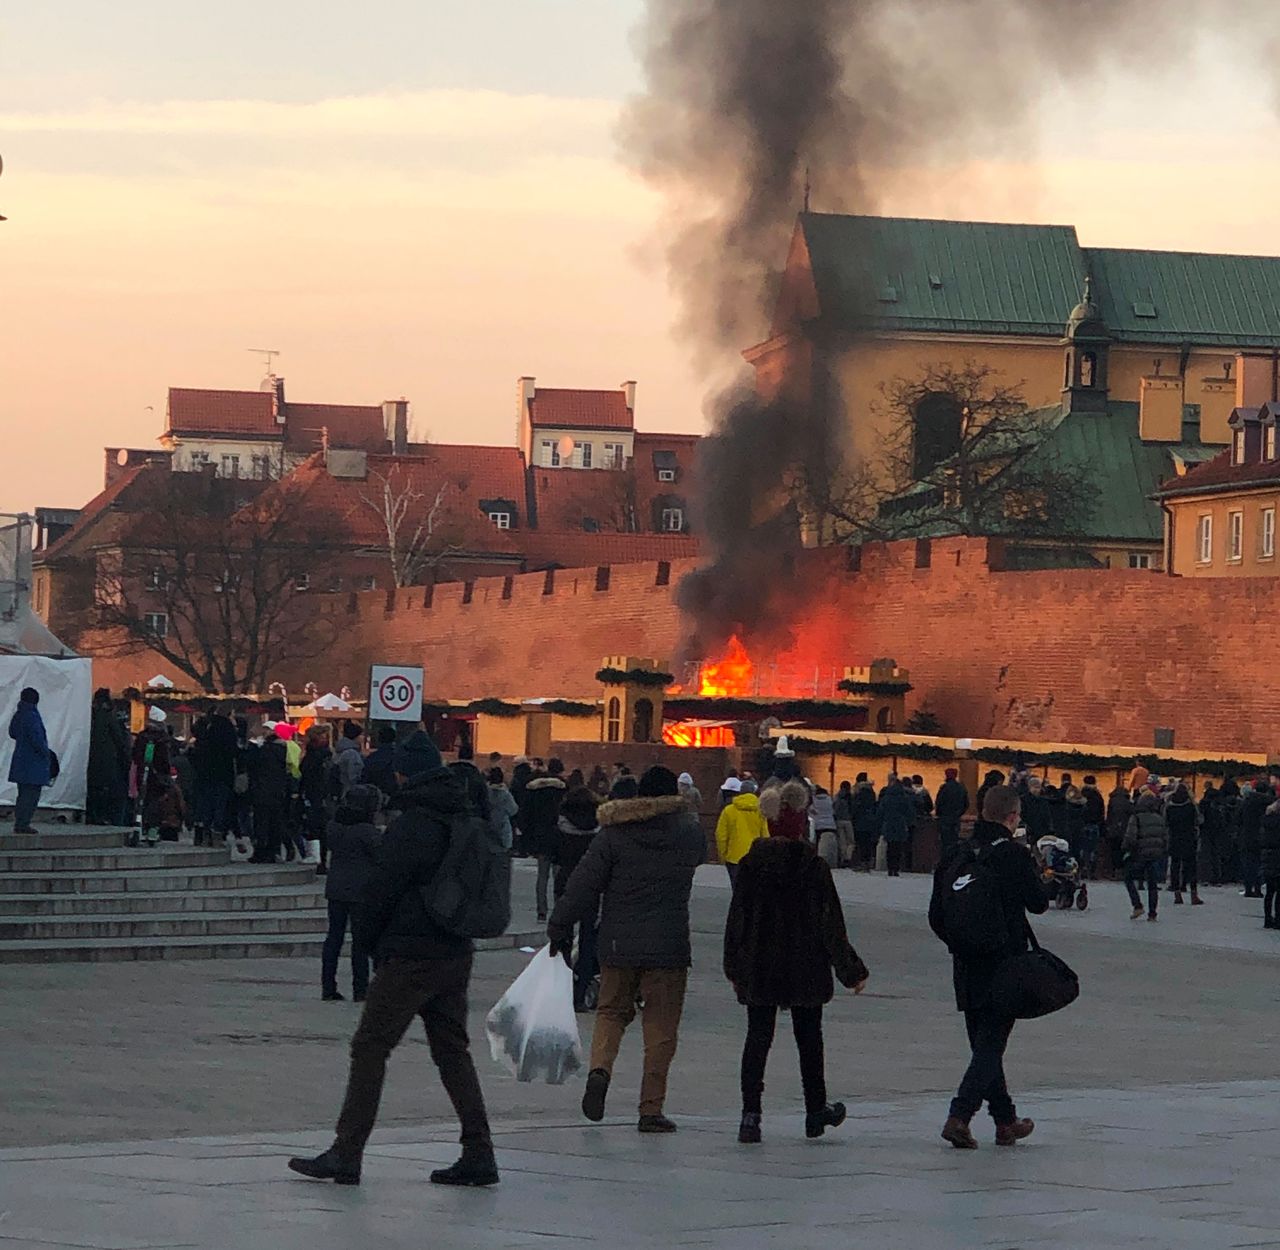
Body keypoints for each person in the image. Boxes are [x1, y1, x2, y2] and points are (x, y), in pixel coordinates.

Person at [289, 733, 499, 1189]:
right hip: (454, 950)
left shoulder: (414, 824)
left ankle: (347, 1151)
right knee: (452, 1050)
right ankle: (479, 1150)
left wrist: (370, 945)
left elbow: (379, 890)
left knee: (369, 1047)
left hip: (409, 953)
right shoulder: (462, 815)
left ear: (404, 773)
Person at [548, 766, 705, 1134]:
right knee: (661, 1026)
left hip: (617, 941)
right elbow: (698, 856)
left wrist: (559, 924)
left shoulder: (613, 834)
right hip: (668, 944)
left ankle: (600, 1070)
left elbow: (583, 884)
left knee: (611, 1012)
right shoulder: (689, 833)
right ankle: (651, 1108)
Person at [724, 824, 870, 1144]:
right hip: (806, 964)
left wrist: (734, 968)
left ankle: (751, 1116)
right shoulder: (813, 867)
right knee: (809, 1038)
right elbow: (831, 924)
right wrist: (851, 971)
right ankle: (815, 1110)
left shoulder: (751, 865)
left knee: (758, 1037)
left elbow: (738, 920)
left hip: (761, 965)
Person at [929, 784, 1048, 1150]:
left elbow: (936, 914)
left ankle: (1005, 1121)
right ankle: (959, 1116)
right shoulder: (1011, 854)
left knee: (983, 1043)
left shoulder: (957, 853)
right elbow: (1039, 903)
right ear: (1012, 817)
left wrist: (959, 943)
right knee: (991, 1045)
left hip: (965, 962)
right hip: (1004, 962)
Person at [319, 783, 381, 1002]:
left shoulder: (334, 826)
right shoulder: (366, 831)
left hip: (335, 888)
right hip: (360, 891)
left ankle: (328, 985)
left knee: (333, 938)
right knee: (360, 942)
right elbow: (380, 855)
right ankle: (360, 988)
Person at [554, 785, 603, 1012]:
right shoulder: (599, 828)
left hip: (565, 883)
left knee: (562, 937)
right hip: (591, 887)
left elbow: (555, 854)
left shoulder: (561, 823)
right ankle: (581, 992)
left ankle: (559, 988)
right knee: (587, 940)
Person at [522, 759, 567, 921]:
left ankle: (541, 911)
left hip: (540, 836)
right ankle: (559, 908)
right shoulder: (564, 789)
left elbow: (526, 813)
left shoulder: (535, 788)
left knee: (542, 876)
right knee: (559, 876)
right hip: (560, 836)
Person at [191, 703, 238, 848]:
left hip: (205, 773)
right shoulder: (226, 728)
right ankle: (217, 833)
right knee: (220, 804)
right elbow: (232, 751)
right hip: (222, 773)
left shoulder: (205, 728)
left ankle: (204, 833)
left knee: (206, 804)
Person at [8, 688, 52, 834]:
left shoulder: (19, 714)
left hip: (21, 760)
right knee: (31, 795)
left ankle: (20, 822)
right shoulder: (32, 715)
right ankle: (23, 824)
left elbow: (12, 732)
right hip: (33, 763)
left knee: (22, 794)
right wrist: (47, 754)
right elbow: (37, 739)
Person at [247, 727, 290, 864]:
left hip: (261, 792)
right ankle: (274, 851)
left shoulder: (262, 752)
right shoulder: (282, 752)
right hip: (277, 792)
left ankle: (260, 851)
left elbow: (253, 770)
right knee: (275, 823)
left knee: (261, 822)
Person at [1123, 791, 1169, 921]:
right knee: (1152, 885)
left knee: (1128, 877)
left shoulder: (1136, 817)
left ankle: (1137, 905)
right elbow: (1165, 837)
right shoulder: (1160, 818)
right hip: (1155, 855)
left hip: (1140, 854)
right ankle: (1152, 913)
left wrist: (1126, 848)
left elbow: (1130, 837)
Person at [87, 688, 129, 826]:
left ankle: (91, 815)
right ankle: (100, 816)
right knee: (104, 789)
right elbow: (118, 739)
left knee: (92, 788)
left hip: (91, 757)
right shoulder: (108, 716)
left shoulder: (90, 714)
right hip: (107, 759)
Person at [714, 778, 768, 887]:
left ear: (740, 792)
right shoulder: (760, 811)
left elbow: (721, 835)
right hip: (755, 856)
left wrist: (722, 855)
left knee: (736, 888)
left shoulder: (729, 810)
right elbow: (765, 835)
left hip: (734, 856)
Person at [129, 713, 172, 846]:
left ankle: (140, 826)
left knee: (142, 801)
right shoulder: (162, 739)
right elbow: (165, 760)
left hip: (143, 774)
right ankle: (152, 830)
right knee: (156, 803)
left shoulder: (142, 737)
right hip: (157, 777)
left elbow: (136, 756)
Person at [298, 726, 334, 868]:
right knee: (320, 827)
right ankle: (320, 859)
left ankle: (315, 856)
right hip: (322, 795)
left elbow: (306, 773)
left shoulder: (313, 755)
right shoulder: (325, 754)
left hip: (314, 794)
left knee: (314, 825)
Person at [1164, 784, 1202, 906]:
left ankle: (1177, 894)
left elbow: (1166, 823)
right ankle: (1193, 895)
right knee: (1191, 867)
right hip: (1189, 839)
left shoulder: (1169, 807)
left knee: (1175, 866)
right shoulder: (1191, 806)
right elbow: (1198, 821)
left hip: (1174, 839)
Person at [877, 774, 915, 876]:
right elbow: (909, 812)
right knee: (898, 847)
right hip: (900, 824)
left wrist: (880, 823)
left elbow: (880, 811)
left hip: (889, 824)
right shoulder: (904, 797)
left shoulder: (886, 797)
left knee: (890, 847)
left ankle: (890, 868)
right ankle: (896, 868)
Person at [1239, 780, 1270, 899]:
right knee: (1259, 863)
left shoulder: (1246, 802)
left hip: (1246, 835)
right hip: (1261, 835)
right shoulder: (1267, 802)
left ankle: (1248, 888)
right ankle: (1258, 888)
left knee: (1248, 863)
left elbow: (1238, 819)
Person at [935, 768, 969, 856]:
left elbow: (939, 802)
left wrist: (939, 814)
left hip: (945, 818)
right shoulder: (961, 788)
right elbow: (966, 804)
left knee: (945, 841)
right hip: (956, 818)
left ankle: (944, 860)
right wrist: (959, 813)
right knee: (954, 840)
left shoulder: (944, 788)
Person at [360, 726, 399, 801]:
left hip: (374, 798)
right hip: (395, 798)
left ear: (379, 739)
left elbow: (364, 779)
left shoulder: (371, 758)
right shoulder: (400, 757)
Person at [1105, 782, 1134, 879]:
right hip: (1124, 830)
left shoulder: (1112, 801)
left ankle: (1115, 871)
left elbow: (1109, 816)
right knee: (1124, 851)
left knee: (1114, 851)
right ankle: (1123, 871)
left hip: (1113, 830)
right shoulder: (1128, 802)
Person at [850, 774, 879, 871]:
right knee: (868, 842)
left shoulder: (858, 792)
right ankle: (868, 862)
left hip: (860, 821)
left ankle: (863, 863)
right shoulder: (871, 792)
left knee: (861, 842)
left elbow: (855, 807)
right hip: (870, 821)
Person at [485, 767, 518, 850]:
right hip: (503, 827)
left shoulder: (485, 793)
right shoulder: (506, 794)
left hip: (486, 825)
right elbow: (513, 810)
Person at [333, 721, 366, 799]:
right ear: (355, 736)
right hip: (350, 792)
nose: (363, 737)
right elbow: (354, 776)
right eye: (361, 735)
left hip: (340, 791)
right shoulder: (352, 754)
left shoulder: (339, 751)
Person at [1261, 796, 1280, 928]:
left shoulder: (1266, 819)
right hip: (1278, 855)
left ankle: (1267, 918)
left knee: (1269, 891)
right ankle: (1278, 919)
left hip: (1267, 855)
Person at [811, 786, 839, 866]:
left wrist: (816, 816)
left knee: (818, 845)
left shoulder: (814, 800)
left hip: (819, 826)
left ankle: (817, 862)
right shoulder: (830, 799)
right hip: (831, 825)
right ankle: (833, 861)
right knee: (833, 845)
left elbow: (810, 811)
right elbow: (834, 810)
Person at [1020, 776, 1052, 843]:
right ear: (1029, 787)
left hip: (1041, 832)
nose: (1036, 790)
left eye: (1038, 787)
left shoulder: (1044, 801)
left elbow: (1047, 817)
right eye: (1034, 787)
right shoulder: (1023, 800)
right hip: (1029, 831)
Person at [832, 780, 856, 867]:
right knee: (851, 842)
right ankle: (848, 858)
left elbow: (834, 808)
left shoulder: (837, 796)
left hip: (838, 820)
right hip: (848, 820)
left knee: (842, 841)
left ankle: (843, 858)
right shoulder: (850, 797)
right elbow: (853, 808)